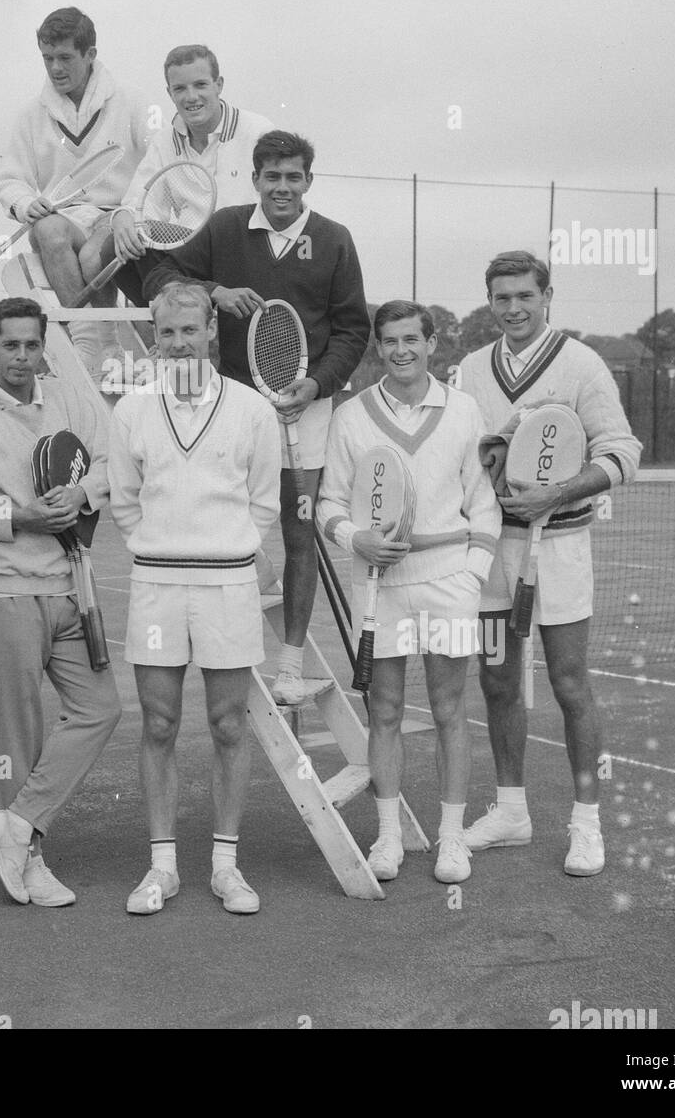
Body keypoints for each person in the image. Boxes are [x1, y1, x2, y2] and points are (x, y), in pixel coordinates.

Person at [145, 130, 371, 707]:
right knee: (230, 526)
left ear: (308, 182)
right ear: (255, 179)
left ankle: (291, 665)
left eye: (293, 177)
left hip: (306, 410)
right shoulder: (223, 228)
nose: (282, 187)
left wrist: (317, 383)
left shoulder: (335, 241)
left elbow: (352, 330)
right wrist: (213, 290)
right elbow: (160, 273)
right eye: (272, 177)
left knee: (301, 536)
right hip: (228, 412)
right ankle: (224, 650)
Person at [457, 251, 641, 876]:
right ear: (490, 302)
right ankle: (512, 811)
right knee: (498, 681)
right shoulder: (471, 367)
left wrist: (555, 494)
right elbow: (465, 453)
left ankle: (586, 822)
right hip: (489, 552)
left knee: (568, 682)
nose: (513, 308)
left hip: (560, 547)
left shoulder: (582, 363)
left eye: (525, 297)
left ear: (547, 296)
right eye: (501, 298)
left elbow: (622, 452)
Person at [0, 296, 121, 906]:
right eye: (9, 344)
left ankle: (18, 825)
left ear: (45, 346)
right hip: (3, 595)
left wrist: (82, 495)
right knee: (17, 740)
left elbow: (110, 464)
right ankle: (29, 862)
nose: (21, 356)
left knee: (100, 708)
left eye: (31, 344)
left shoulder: (67, 400)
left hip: (71, 590)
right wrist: (17, 515)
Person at [108, 280, 281, 915]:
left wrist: (224, 547)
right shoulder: (131, 411)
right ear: (154, 338)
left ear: (213, 330)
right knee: (158, 723)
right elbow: (125, 503)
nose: (178, 343)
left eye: (190, 330)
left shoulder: (252, 411)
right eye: (167, 332)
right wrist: (160, 546)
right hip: (156, 585)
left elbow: (262, 503)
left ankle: (227, 867)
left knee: (228, 724)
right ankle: (162, 868)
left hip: (228, 585)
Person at [318, 300, 500, 885]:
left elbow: (485, 504)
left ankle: (451, 840)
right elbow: (326, 505)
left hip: (449, 585)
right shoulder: (350, 416)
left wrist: (470, 574)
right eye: (390, 341)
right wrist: (355, 538)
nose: (401, 351)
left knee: (450, 710)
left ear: (431, 344)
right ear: (377, 347)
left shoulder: (465, 410)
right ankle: (389, 837)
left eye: (411, 340)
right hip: (380, 588)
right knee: (386, 713)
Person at [0, 6, 147, 374]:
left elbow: (154, 165)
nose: (55, 68)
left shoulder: (129, 101)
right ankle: (85, 340)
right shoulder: (31, 114)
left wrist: (131, 211)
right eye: (47, 59)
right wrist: (25, 203)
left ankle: (107, 344)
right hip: (66, 217)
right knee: (47, 229)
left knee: (95, 254)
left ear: (90, 54)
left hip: (118, 218)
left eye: (65, 57)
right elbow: (10, 180)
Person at [102, 43, 273, 307]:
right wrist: (123, 217)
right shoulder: (164, 141)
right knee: (118, 245)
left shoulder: (258, 131)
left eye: (200, 85)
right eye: (180, 89)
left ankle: (182, 312)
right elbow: (141, 208)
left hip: (246, 254)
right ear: (169, 93)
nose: (191, 97)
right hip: (193, 257)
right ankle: (171, 318)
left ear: (219, 84)